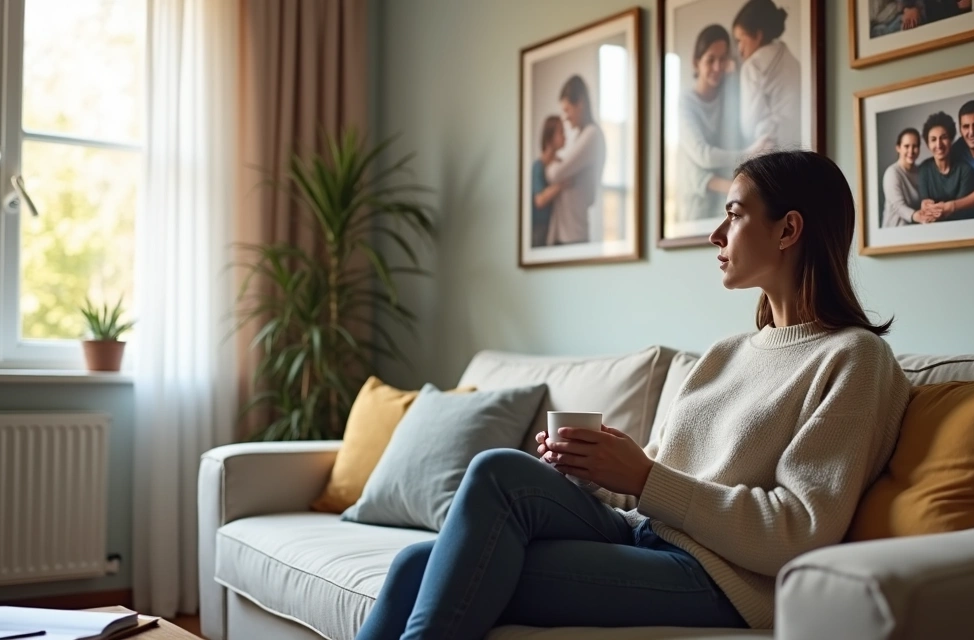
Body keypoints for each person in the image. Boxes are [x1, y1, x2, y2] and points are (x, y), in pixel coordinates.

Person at [355, 150, 911, 638]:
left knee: (424, 568)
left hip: (719, 582)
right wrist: (597, 467)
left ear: (789, 230)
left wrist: (645, 479)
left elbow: (798, 529)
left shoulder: (853, 359)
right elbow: (659, 478)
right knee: (463, 509)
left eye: (735, 214)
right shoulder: (727, 353)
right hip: (644, 537)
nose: (716, 235)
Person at [677, 24, 746, 222]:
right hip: (696, 209)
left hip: (728, 206)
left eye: (723, 59)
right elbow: (703, 156)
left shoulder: (729, 95)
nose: (718, 67)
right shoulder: (685, 103)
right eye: (710, 60)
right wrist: (749, 153)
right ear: (696, 62)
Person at [733, 0, 801, 152]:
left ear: (757, 35)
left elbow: (748, 126)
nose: (739, 48)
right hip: (796, 149)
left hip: (767, 152)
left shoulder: (752, 66)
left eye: (740, 40)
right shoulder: (793, 61)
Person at [545, 75, 606, 245]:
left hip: (573, 234)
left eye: (567, 110)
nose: (565, 117)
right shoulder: (579, 136)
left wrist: (550, 164)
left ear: (580, 103)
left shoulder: (591, 135)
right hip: (564, 232)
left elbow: (556, 173)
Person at [915, 111, 974, 223]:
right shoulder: (923, 169)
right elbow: (926, 205)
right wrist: (928, 208)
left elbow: (961, 211)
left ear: (951, 140)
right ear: (928, 144)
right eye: (933, 140)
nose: (939, 145)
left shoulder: (965, 171)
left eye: (943, 137)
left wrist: (939, 212)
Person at [531, 115, 565, 247]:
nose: (564, 136)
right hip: (540, 229)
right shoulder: (538, 167)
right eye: (561, 132)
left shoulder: (561, 165)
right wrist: (560, 185)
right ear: (550, 136)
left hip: (557, 227)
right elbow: (539, 200)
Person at [881, 127, 922, 227]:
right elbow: (898, 206)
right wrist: (919, 216)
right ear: (898, 148)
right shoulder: (892, 172)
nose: (911, 151)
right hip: (893, 233)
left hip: (914, 232)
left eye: (915, 146)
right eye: (906, 146)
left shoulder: (920, 171)